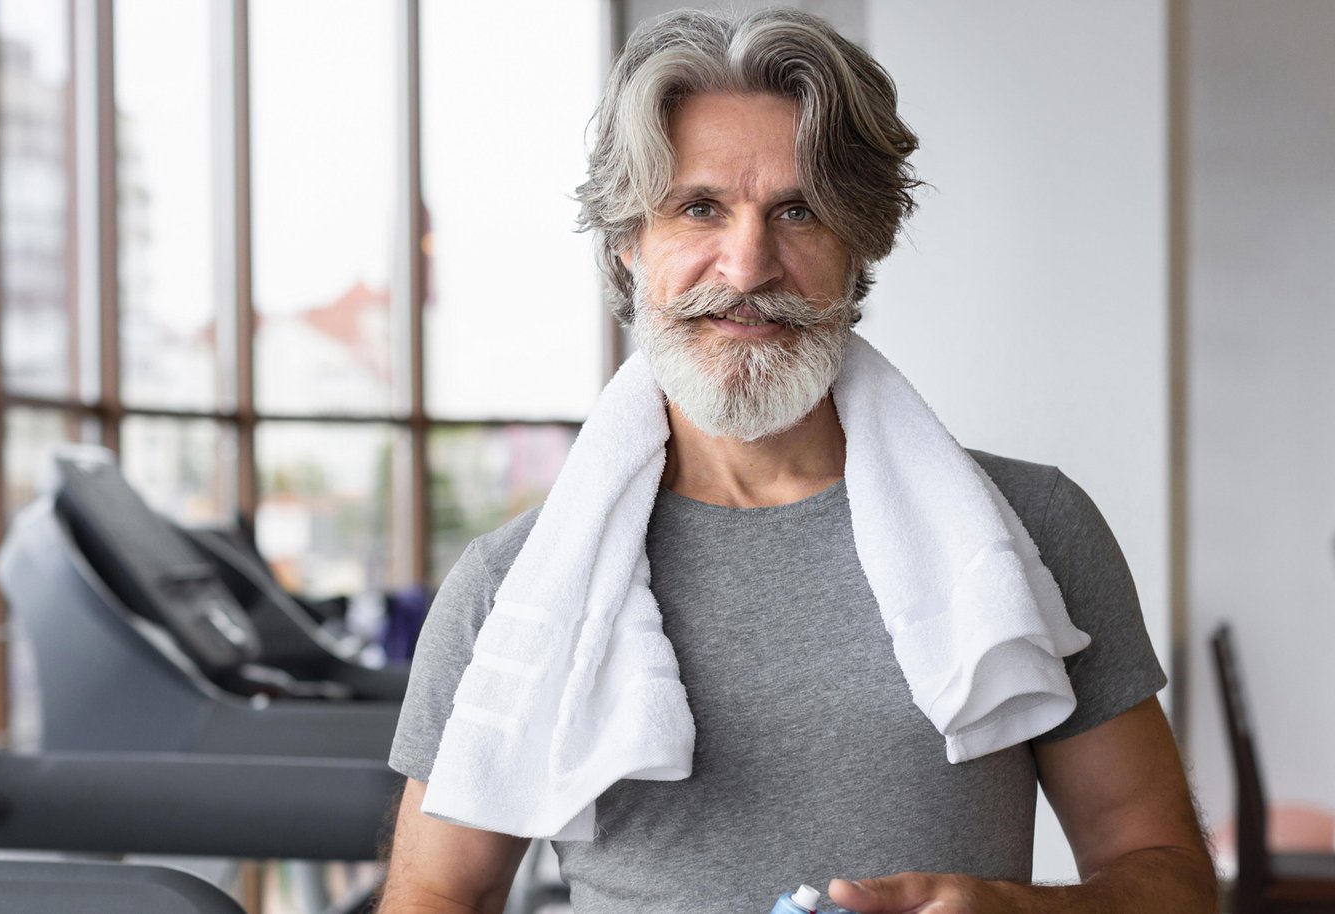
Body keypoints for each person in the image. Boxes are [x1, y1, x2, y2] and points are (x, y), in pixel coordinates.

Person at [379, 8, 1215, 914]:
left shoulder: (1031, 531)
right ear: (630, 244)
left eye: (800, 211)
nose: (747, 267)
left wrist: (1017, 910)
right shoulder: (510, 586)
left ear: (858, 250)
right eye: (699, 207)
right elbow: (433, 895)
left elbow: (1167, 873)